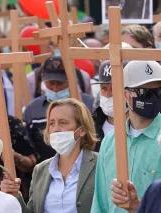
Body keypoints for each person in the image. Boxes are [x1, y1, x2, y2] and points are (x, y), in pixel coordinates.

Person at [1, 98, 98, 213]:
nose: (56, 129)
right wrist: (15, 196)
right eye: (51, 123)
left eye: (63, 122)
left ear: (81, 130)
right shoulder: (40, 170)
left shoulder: (100, 163)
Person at [91, 60, 161, 213]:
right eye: (145, 92)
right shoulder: (110, 141)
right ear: (126, 94)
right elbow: (100, 202)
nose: (154, 97)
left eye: (159, 91)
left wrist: (137, 207)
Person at [23, 57, 94, 162]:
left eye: (60, 83)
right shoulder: (32, 109)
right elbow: (28, 147)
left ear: (70, 80)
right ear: (43, 80)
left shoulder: (88, 104)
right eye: (51, 83)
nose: (55, 88)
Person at [91, 60, 128, 151]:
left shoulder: (141, 126)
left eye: (114, 88)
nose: (108, 94)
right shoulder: (91, 126)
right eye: (104, 88)